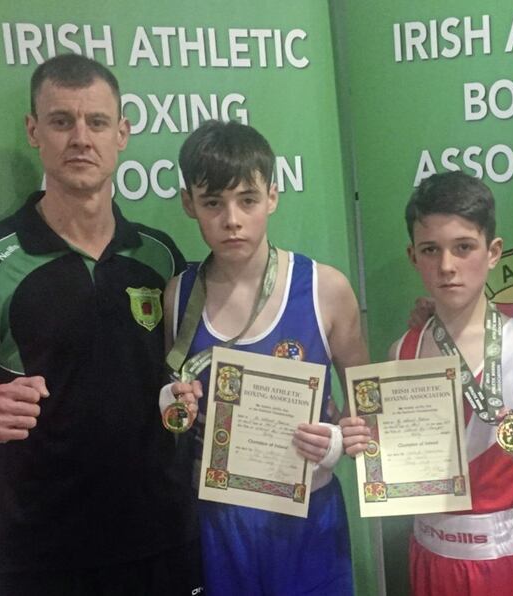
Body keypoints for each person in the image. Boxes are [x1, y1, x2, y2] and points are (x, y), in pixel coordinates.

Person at [0, 54, 200, 595]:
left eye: (97, 122)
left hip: (160, 544)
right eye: (62, 121)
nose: (80, 138)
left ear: (123, 134)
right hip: (37, 557)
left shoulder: (161, 258)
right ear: (34, 131)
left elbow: (188, 377)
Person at [342, 171, 513, 596]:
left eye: (463, 247)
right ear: (413, 255)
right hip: (431, 555)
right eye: (431, 250)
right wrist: (362, 443)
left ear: (493, 252)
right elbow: (394, 460)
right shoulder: (404, 349)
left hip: (511, 559)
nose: (447, 266)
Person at [161, 120, 369, 595]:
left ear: (272, 197)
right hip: (221, 520)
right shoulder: (179, 296)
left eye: (247, 200)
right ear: (189, 204)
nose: (232, 219)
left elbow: (366, 410)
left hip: (309, 515)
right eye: (213, 202)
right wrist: (172, 404)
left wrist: (337, 443)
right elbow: (173, 397)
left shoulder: (325, 289)